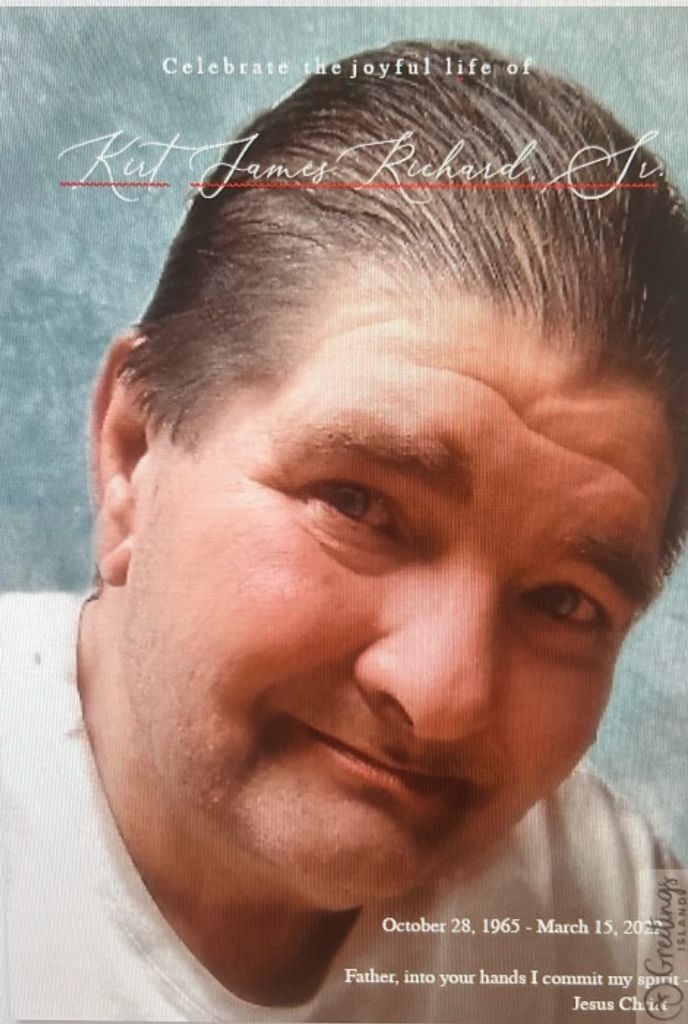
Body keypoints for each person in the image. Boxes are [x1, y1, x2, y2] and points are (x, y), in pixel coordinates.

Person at [2, 39, 687, 1024]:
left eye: (562, 601)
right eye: (358, 506)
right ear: (132, 454)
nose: (442, 695)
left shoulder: (611, 910)